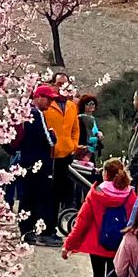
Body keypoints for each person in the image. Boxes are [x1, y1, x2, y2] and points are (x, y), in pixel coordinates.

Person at [62, 159, 138, 277]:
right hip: (119, 246)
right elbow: (135, 222)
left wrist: (69, 246)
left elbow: (82, 222)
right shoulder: (130, 195)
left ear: (105, 173)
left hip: (97, 245)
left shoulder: (96, 193)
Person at [37, 84, 87, 246]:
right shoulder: (46, 105)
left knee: (58, 193)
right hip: (48, 154)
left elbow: (75, 129)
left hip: (65, 155)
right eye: (59, 84)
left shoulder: (72, 106)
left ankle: (51, 227)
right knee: (45, 192)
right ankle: (44, 229)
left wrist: (72, 145)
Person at [16, 85, 58, 244]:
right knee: (40, 197)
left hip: (26, 159)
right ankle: (37, 231)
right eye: (49, 98)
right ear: (39, 97)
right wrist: (53, 134)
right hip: (39, 163)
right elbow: (49, 140)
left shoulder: (25, 112)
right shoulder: (37, 114)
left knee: (27, 197)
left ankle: (26, 231)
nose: (50, 102)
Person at [79, 95, 104, 160]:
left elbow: (93, 132)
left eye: (93, 103)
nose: (91, 105)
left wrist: (99, 133)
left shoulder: (92, 119)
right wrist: (98, 139)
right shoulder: (82, 119)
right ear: (83, 106)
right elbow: (85, 139)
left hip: (92, 151)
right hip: (85, 152)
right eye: (88, 104)